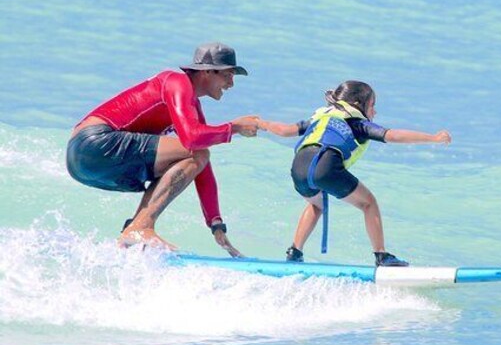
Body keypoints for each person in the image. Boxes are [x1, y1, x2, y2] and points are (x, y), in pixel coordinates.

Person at [66, 42, 260, 256]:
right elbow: (194, 141)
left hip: (81, 161)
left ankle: (133, 231)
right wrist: (235, 128)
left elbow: (201, 165)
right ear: (207, 72)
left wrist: (216, 223)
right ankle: (141, 227)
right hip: (94, 142)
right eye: (228, 75)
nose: (231, 84)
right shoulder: (177, 82)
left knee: (195, 156)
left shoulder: (191, 104)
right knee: (196, 151)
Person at [258, 80, 451, 267]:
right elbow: (393, 135)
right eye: (372, 105)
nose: (374, 111)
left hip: (298, 168)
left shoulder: (318, 118)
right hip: (325, 167)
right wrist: (432, 138)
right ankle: (381, 255)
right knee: (369, 203)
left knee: (316, 205)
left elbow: (283, 130)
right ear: (360, 105)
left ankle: (295, 251)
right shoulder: (357, 123)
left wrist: (261, 123)